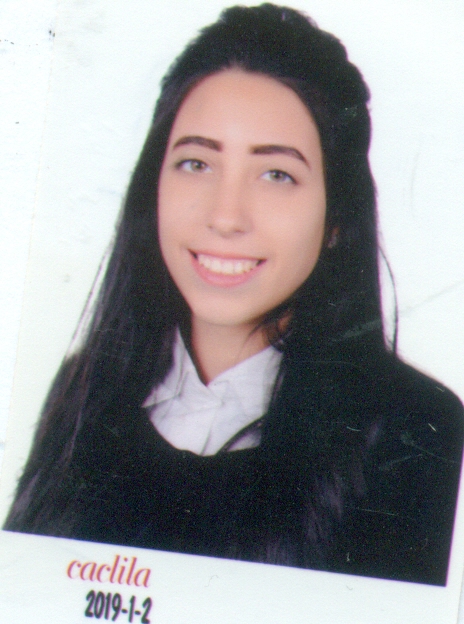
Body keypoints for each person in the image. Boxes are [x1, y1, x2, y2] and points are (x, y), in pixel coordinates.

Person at [4, 3, 463, 586]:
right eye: (196, 163)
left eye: (277, 175)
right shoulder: (86, 387)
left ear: (337, 218)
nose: (225, 217)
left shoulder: (415, 429)